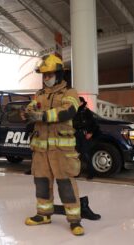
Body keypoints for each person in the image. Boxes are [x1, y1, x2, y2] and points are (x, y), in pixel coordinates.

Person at [24, 54, 85, 236]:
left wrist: (42, 116)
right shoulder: (40, 94)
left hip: (62, 151)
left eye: (49, 74)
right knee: (41, 182)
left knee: (66, 184)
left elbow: (68, 110)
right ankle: (43, 214)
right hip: (41, 150)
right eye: (44, 75)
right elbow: (30, 109)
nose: (46, 78)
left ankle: (74, 220)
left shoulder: (70, 93)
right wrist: (28, 113)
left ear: (59, 74)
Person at [73, 97, 99, 179]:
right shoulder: (75, 111)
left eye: (78, 102)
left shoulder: (86, 112)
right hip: (77, 134)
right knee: (77, 155)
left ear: (82, 102)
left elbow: (94, 124)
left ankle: (91, 173)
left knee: (86, 154)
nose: (77, 103)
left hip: (84, 135)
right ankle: (77, 172)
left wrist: (90, 133)